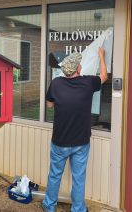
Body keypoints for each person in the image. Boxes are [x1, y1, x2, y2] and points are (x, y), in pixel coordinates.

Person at [42, 47, 108, 212]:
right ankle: (78, 209)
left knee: (55, 175)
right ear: (78, 68)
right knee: (78, 178)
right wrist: (101, 56)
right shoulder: (88, 83)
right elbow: (104, 76)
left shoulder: (56, 83)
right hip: (81, 142)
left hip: (60, 141)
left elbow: (49, 105)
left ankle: (49, 206)